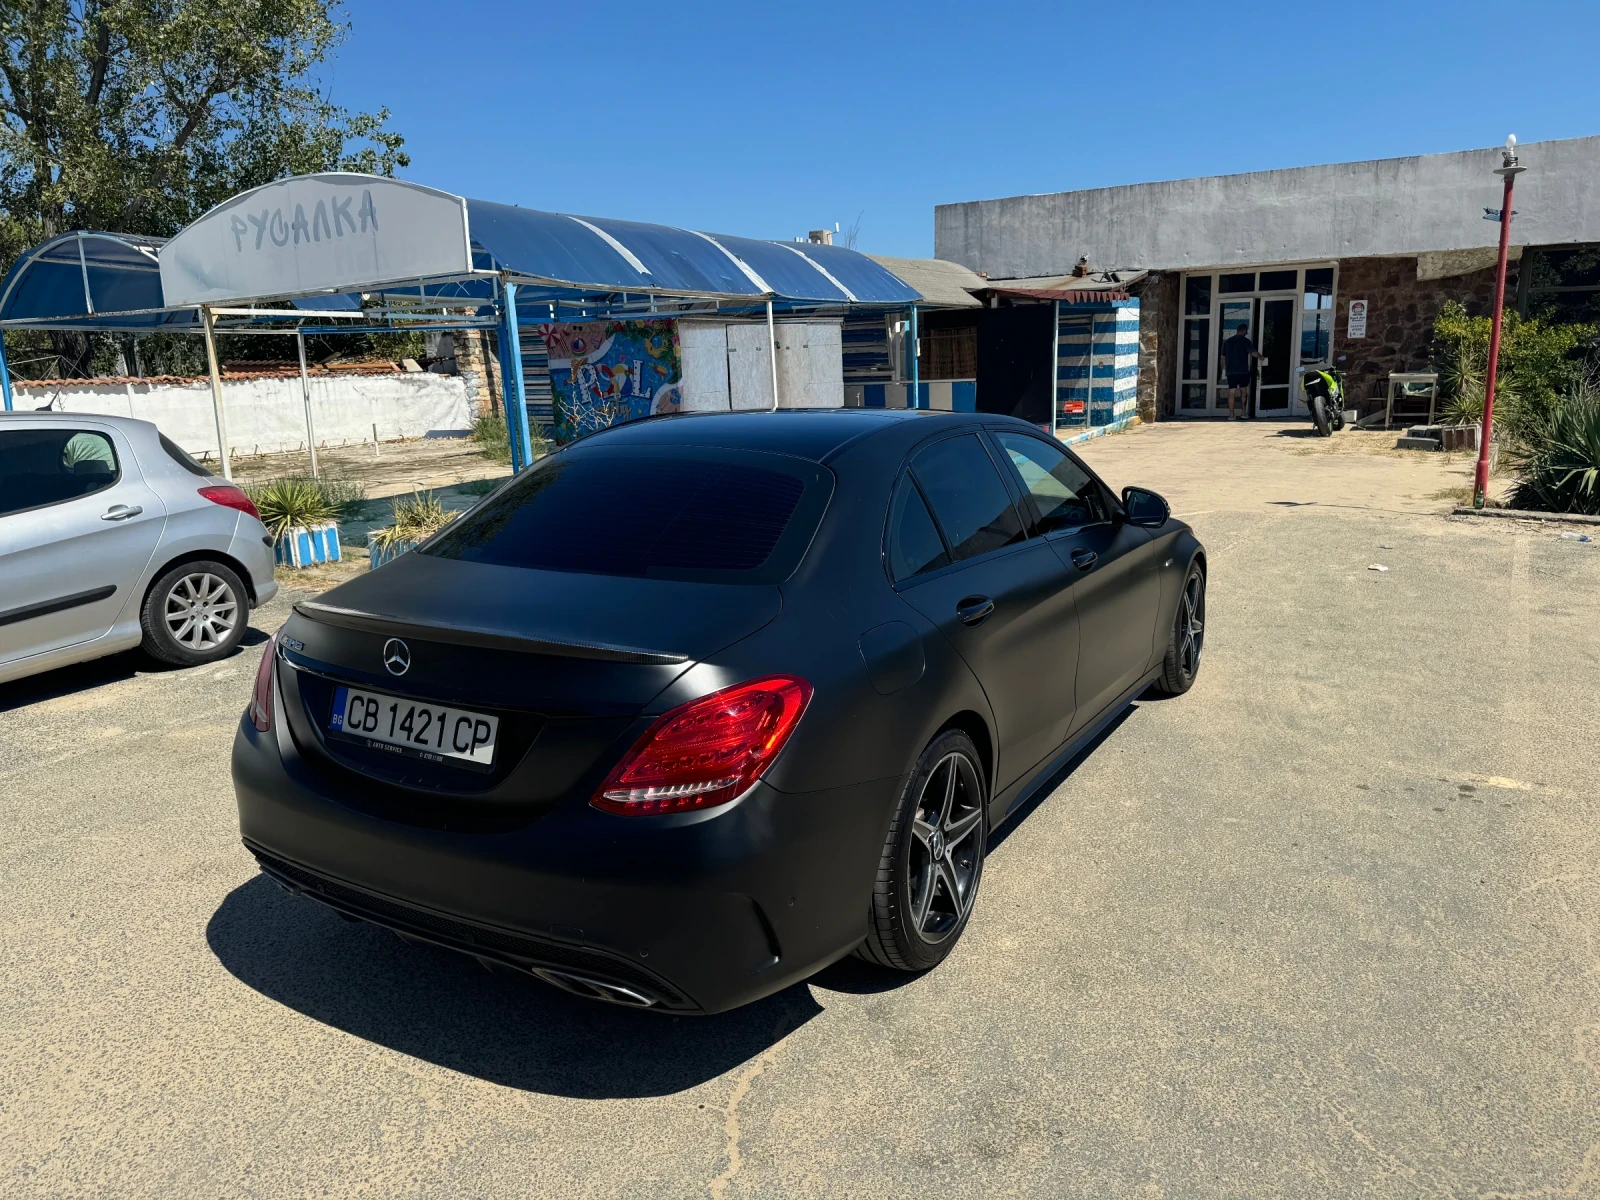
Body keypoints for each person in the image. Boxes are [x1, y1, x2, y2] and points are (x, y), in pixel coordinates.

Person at [1221, 322, 1261, 419]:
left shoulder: (1227, 342)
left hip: (1230, 371)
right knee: (1243, 391)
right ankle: (1243, 412)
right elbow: (1254, 353)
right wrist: (1261, 357)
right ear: (1244, 331)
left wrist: (1223, 369)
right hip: (1242, 371)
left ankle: (1231, 414)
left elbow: (1223, 358)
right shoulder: (1245, 341)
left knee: (1232, 392)